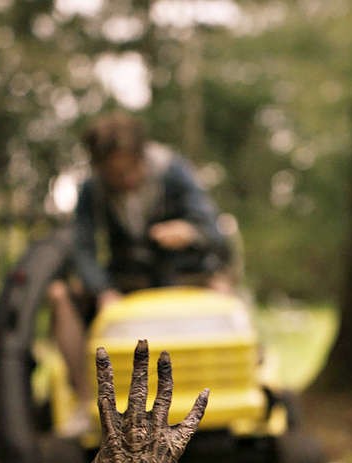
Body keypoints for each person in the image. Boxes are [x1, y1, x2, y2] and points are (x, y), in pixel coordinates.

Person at [50, 112, 231, 433]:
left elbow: (214, 231)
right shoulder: (92, 192)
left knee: (224, 291)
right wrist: (103, 290)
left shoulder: (174, 173)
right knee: (61, 296)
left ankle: (228, 388)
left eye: (129, 170)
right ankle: (85, 402)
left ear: (141, 156)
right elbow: (83, 249)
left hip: (183, 276)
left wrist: (189, 232)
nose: (124, 180)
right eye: (113, 173)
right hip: (126, 281)